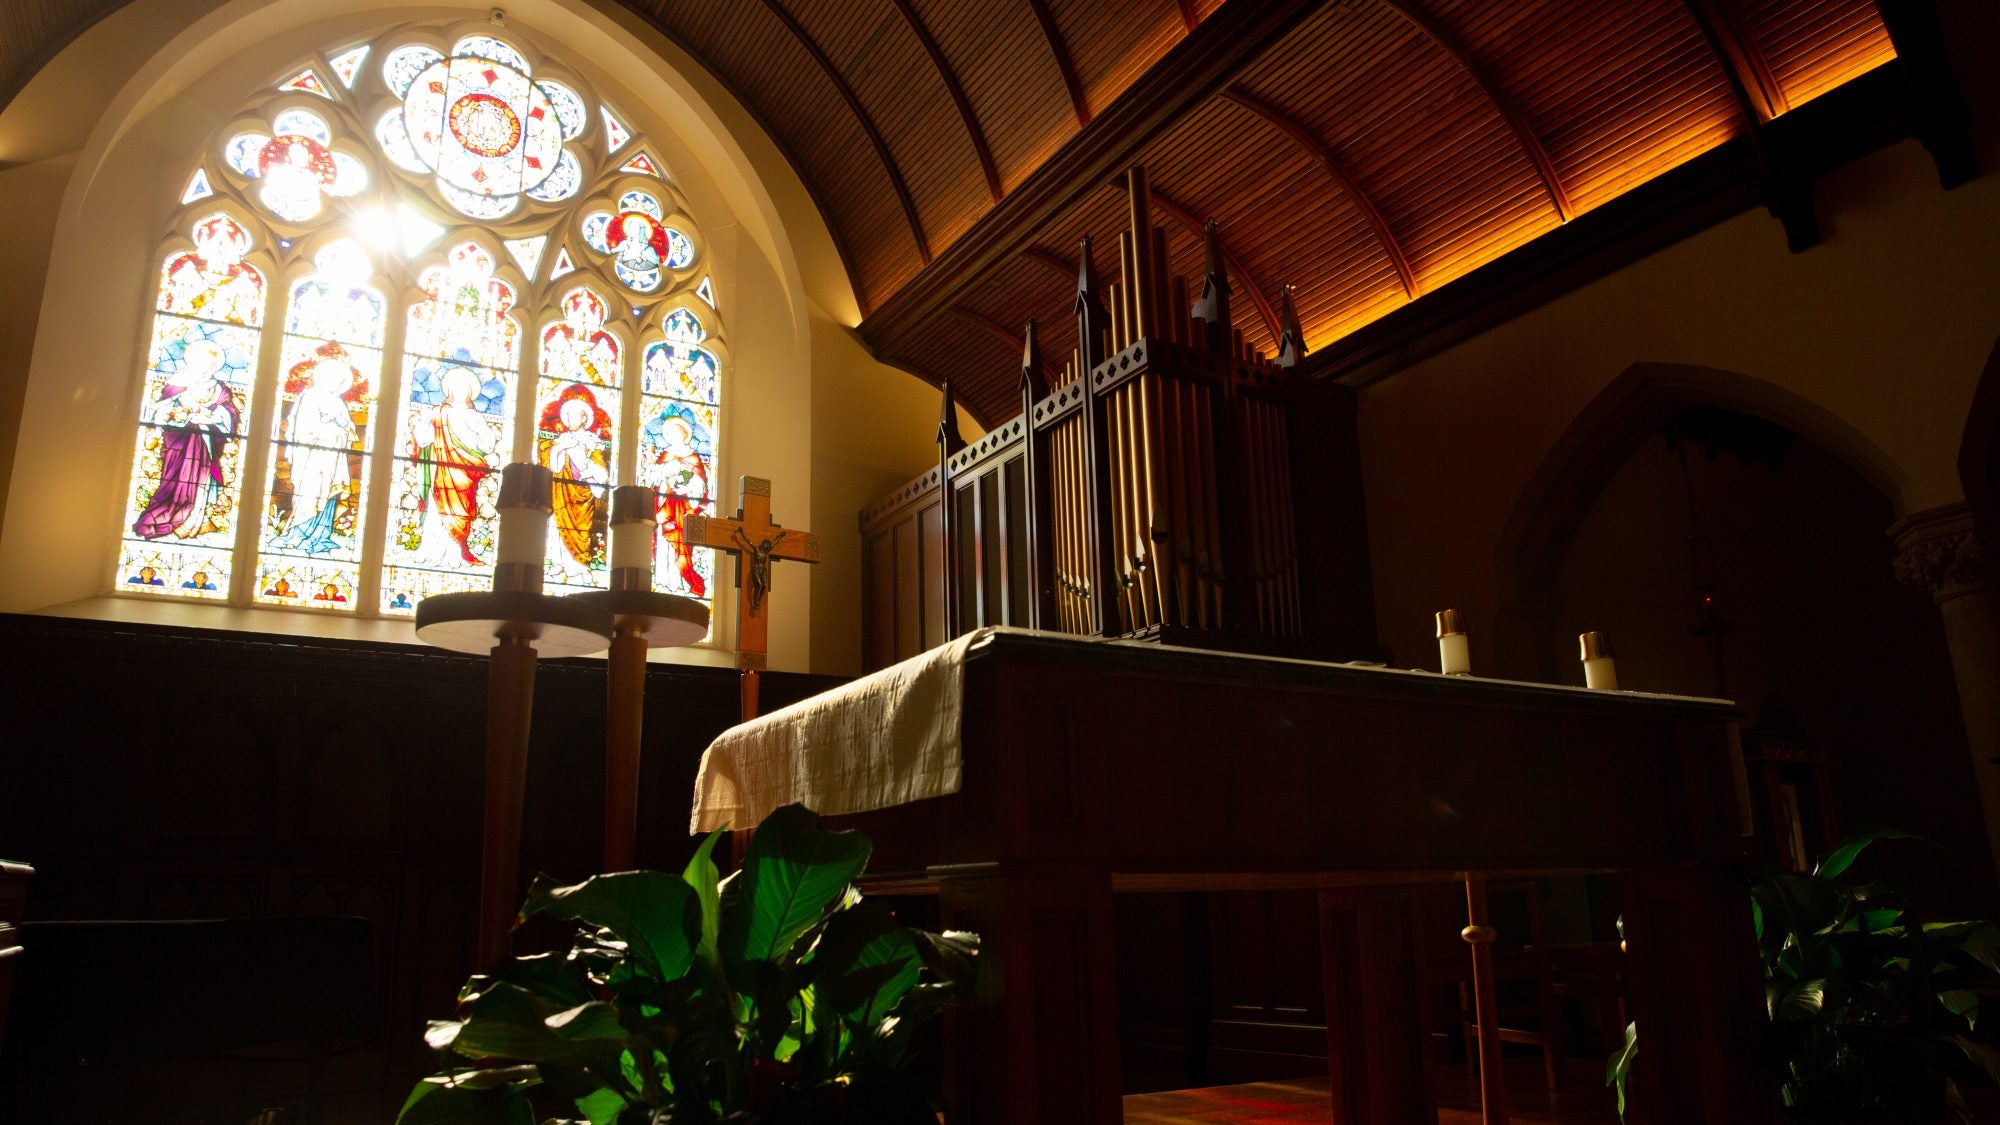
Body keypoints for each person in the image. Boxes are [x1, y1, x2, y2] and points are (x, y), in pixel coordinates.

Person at [132, 339, 239, 541]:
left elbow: (230, 414)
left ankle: (194, 521)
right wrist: (179, 416)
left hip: (206, 441)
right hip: (179, 441)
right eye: (203, 361)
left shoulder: (219, 388)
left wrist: (213, 417)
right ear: (193, 360)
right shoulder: (179, 381)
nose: (207, 367)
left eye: (211, 364)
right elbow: (161, 409)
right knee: (174, 480)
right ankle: (171, 517)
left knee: (202, 480)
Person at [270, 351, 358, 556]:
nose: (334, 383)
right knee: (309, 494)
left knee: (330, 494)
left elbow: (349, 430)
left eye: (339, 381)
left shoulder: (339, 403)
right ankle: (298, 534)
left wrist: (342, 428)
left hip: (334, 456)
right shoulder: (309, 397)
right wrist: (329, 428)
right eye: (332, 378)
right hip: (312, 456)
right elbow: (303, 429)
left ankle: (320, 535)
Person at [410, 363, 497, 567]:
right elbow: (423, 440)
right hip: (440, 471)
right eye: (455, 388)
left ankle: (454, 554)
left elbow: (487, 443)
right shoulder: (437, 413)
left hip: (465, 472)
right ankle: (431, 551)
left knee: (461, 512)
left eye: (464, 388)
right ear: (448, 390)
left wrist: (476, 438)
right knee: (436, 513)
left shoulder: (474, 416)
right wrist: (422, 422)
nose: (459, 392)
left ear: (469, 393)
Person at [542, 390, 608, 571]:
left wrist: (591, 469)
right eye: (568, 415)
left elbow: (602, 474)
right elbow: (553, 467)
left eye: (574, 415)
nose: (570, 419)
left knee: (580, 529)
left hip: (583, 495)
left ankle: (578, 566)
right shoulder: (561, 440)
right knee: (558, 525)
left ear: (585, 419)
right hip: (561, 492)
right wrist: (562, 447)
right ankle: (558, 563)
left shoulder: (592, 442)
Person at [649, 412, 709, 597]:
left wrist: (688, 486)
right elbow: (654, 479)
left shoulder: (693, 458)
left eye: (677, 433)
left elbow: (700, 484)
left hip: (684, 508)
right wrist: (668, 472)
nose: (673, 437)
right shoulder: (666, 456)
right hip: (665, 506)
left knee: (681, 543)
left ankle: (681, 582)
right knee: (665, 542)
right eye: (670, 434)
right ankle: (663, 581)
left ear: (684, 434)